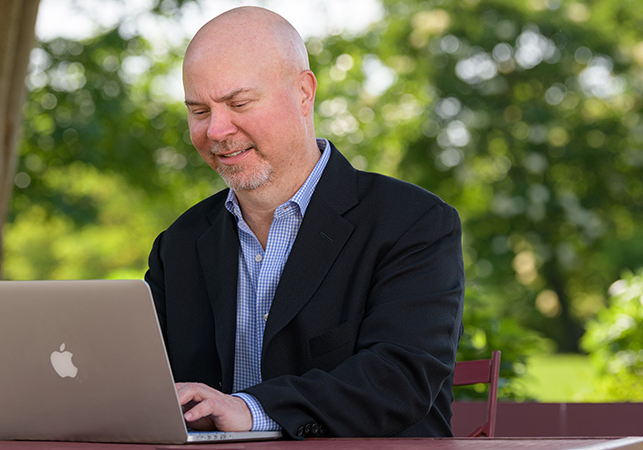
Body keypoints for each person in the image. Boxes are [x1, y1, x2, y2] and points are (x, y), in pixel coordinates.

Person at [144, 6, 464, 439]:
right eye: (199, 111)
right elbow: (145, 385)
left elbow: (398, 380)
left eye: (239, 103)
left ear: (303, 93)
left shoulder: (413, 223)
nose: (217, 130)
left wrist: (250, 410)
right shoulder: (178, 244)